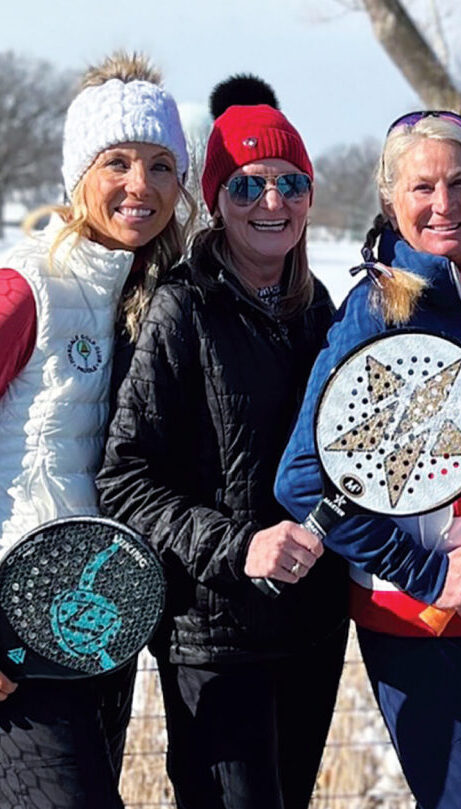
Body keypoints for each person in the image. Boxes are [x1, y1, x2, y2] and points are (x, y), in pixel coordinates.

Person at [275, 110, 461, 809]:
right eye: (422, 186)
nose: (443, 203)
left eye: (460, 182)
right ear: (390, 199)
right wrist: (427, 574)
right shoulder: (376, 313)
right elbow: (303, 478)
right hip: (423, 623)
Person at [96, 88, 349, 809]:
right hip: (214, 634)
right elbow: (126, 478)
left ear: (307, 197)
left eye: (289, 182)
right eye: (247, 183)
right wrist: (240, 548)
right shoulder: (183, 307)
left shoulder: (318, 309)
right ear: (215, 199)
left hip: (311, 626)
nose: (271, 201)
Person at [0, 52, 190, 809]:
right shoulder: (28, 283)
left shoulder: (154, 297)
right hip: (16, 633)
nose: (139, 185)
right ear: (78, 174)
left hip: (98, 629)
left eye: (160, 164)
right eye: (116, 161)